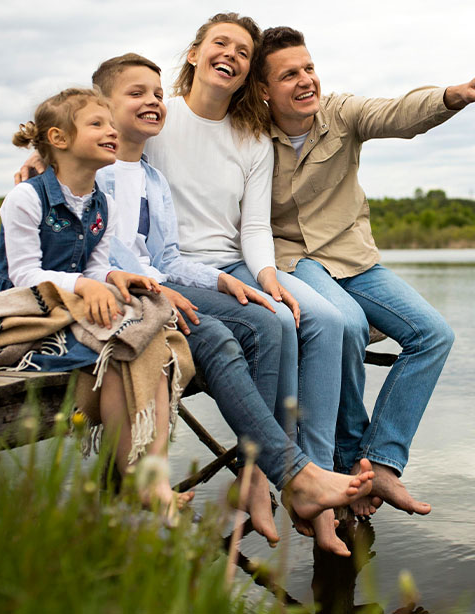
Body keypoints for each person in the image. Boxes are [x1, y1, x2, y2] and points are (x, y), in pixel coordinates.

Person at [84, 51, 374, 549]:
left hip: (162, 286)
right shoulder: (93, 170)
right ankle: (285, 475)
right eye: (137, 94)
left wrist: (223, 281)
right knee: (231, 334)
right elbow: (88, 252)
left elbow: (166, 257)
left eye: (156, 94)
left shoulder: (152, 178)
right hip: (115, 296)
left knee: (268, 318)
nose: (152, 101)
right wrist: (151, 284)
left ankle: (270, 475)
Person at [255, 26, 475, 518]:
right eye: (289, 74)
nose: (306, 80)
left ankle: (379, 460)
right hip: (294, 260)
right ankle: (345, 462)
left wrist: (453, 95)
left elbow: (399, 113)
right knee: (347, 324)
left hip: (352, 258)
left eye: (309, 68)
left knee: (433, 334)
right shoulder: (250, 135)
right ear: (264, 89)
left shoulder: (340, 113)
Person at [139, 13, 353, 555]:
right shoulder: (159, 119)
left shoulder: (252, 138)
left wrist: (267, 277)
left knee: (318, 318)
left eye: (242, 52)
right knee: (272, 321)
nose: (230, 55)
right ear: (194, 53)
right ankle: (266, 476)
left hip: (234, 264)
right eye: (221, 44)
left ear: (248, 72)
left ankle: (310, 473)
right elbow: (95, 135)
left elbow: (254, 227)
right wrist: (41, 157)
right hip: (171, 269)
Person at [0, 87, 192, 517]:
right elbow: (23, 274)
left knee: (148, 342)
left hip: (74, 307)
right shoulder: (27, 198)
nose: (111, 131)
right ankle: (135, 478)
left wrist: (114, 277)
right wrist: (84, 284)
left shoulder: (104, 204)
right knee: (116, 350)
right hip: (23, 307)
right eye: (97, 124)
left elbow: (97, 267)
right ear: (59, 139)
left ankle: (152, 476)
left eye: (111, 124)